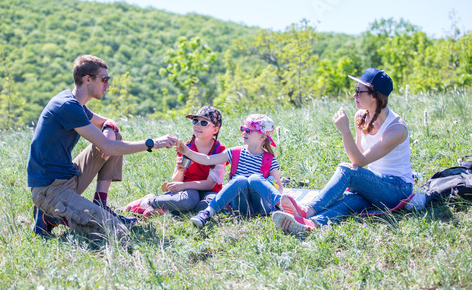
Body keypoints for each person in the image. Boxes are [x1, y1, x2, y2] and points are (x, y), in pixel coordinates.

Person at [27, 54, 177, 239]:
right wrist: (152, 143)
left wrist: (109, 133)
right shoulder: (67, 106)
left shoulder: (76, 103)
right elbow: (109, 147)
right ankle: (49, 216)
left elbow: (108, 122)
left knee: (114, 137)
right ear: (87, 79)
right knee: (115, 231)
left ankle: (100, 204)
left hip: (68, 177)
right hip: (50, 189)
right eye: (104, 79)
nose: (107, 85)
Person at [272, 68, 414, 235]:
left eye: (358, 91)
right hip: (377, 185)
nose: (354, 95)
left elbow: (359, 162)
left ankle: (307, 210)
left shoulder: (396, 129)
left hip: (397, 190)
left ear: (375, 96)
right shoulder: (362, 115)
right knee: (349, 201)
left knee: (346, 170)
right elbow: (359, 156)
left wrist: (345, 131)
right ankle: (312, 224)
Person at [177, 114, 283, 228]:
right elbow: (207, 160)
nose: (244, 132)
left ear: (262, 137)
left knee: (255, 179)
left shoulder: (269, 159)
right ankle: (207, 212)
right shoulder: (234, 152)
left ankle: (285, 209)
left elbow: (280, 188)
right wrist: (187, 152)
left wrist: (268, 185)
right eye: (243, 129)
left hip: (261, 205)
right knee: (240, 180)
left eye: (248, 130)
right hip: (239, 205)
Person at [122, 106, 226, 218]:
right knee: (189, 200)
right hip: (188, 191)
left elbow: (210, 184)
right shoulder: (186, 147)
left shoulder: (220, 151)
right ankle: (148, 201)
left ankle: (164, 210)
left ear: (215, 129)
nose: (197, 125)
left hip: (208, 190)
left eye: (204, 123)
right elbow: (176, 180)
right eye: (195, 121)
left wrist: (183, 185)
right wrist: (180, 171)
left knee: (208, 205)